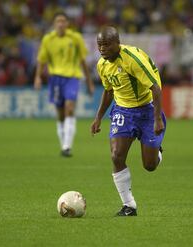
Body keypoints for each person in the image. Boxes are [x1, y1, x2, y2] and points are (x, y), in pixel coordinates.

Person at [90, 26, 166, 216]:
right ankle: (129, 205)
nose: (102, 49)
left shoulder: (133, 59)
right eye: (99, 45)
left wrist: (157, 119)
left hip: (147, 110)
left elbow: (155, 88)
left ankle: (157, 152)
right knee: (116, 156)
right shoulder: (102, 65)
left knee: (149, 166)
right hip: (123, 111)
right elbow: (109, 91)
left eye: (106, 45)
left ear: (117, 43)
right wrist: (98, 117)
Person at [34, 12, 94, 157]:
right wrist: (37, 77)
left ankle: (67, 146)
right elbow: (42, 60)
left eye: (63, 21)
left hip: (72, 77)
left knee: (69, 107)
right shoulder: (48, 39)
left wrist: (89, 81)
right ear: (54, 25)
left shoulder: (75, 38)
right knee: (60, 114)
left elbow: (83, 61)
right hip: (55, 78)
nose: (61, 24)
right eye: (58, 21)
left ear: (67, 24)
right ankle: (63, 144)